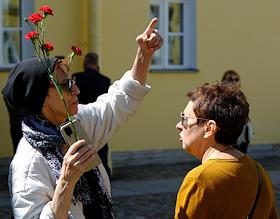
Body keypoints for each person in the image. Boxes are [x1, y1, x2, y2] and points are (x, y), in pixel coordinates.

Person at [3, 18, 163, 218]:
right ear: (41, 98)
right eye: (66, 85)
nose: (76, 90)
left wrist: (144, 54)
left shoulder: (76, 123)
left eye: (73, 81)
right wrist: (66, 182)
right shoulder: (29, 163)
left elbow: (116, 104)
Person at [174, 82, 279, 218]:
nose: (178, 125)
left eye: (184, 119)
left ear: (209, 128)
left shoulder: (200, 180)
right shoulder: (259, 173)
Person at [73, 52, 112, 178]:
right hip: (101, 119)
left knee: (82, 152)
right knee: (102, 150)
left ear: (86, 62)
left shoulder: (77, 77)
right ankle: (104, 173)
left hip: (80, 119)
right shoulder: (105, 80)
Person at [222, 70, 254, 153]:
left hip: (242, 134)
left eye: (236, 79)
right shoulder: (219, 97)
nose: (234, 82)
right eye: (230, 79)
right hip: (226, 135)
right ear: (224, 81)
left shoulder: (241, 97)